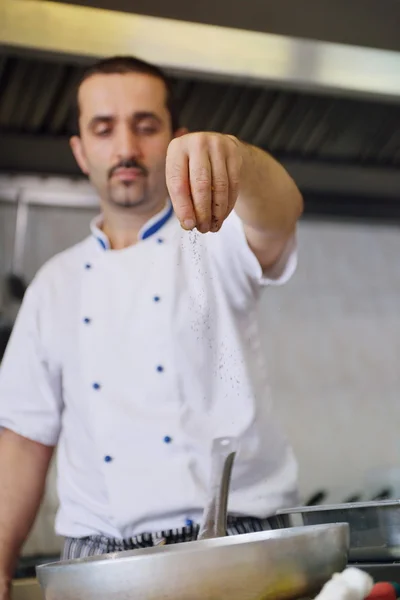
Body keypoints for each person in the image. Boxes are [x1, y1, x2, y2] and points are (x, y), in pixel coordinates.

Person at [0, 55, 303, 596]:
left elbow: (280, 212)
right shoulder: (53, 285)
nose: (125, 149)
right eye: (103, 128)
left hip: (239, 542)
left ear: (176, 139)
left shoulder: (220, 239)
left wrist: (240, 159)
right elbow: (24, 440)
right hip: (99, 561)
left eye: (145, 126)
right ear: (80, 150)